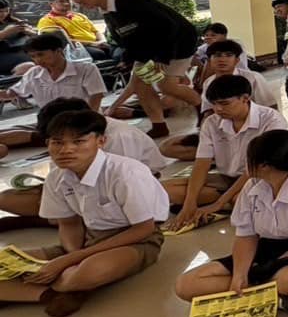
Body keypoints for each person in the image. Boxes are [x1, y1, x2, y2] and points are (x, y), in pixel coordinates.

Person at [0, 108, 168, 317]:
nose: (66, 150)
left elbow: (144, 229)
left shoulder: (125, 172)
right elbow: (69, 224)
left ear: (101, 141)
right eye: (57, 142)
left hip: (134, 241)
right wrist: (72, 256)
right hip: (86, 240)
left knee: (92, 270)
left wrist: (70, 260)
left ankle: (34, 290)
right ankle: (52, 294)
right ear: (48, 144)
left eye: (78, 142)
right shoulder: (56, 177)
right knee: (4, 263)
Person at [173, 129, 288, 314]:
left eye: (249, 159)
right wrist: (240, 274)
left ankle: (264, 288)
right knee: (186, 285)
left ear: (264, 166)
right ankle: (272, 292)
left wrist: (268, 267)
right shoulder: (252, 186)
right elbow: (246, 235)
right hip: (271, 247)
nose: (245, 165)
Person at [58, 0, 198, 139]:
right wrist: (127, 59)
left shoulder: (129, 1)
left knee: (166, 86)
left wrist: (161, 57)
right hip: (149, 49)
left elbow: (167, 26)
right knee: (140, 84)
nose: (76, 2)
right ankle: (159, 125)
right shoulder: (106, 9)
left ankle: (203, 107)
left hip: (178, 42)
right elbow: (128, 37)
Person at [0, 96, 167, 228]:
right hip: (82, 184)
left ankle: (47, 221)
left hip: (115, 190)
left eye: (76, 140)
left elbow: (114, 180)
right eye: (56, 141)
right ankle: (58, 219)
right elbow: (65, 174)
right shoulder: (72, 142)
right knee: (5, 198)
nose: (64, 147)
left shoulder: (118, 137)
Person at [164, 74, 288, 230]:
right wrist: (189, 204)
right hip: (226, 179)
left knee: (239, 200)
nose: (218, 109)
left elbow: (255, 168)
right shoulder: (211, 122)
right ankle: (227, 203)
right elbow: (201, 164)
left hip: (259, 178)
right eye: (214, 104)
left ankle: (226, 203)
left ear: (245, 98)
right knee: (164, 189)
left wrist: (218, 203)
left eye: (224, 103)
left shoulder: (271, 120)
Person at [0, 34, 107, 150]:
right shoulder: (34, 73)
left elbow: (96, 95)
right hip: (50, 123)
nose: (37, 60)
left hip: (81, 122)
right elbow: (11, 93)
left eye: (41, 55)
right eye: (33, 56)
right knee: (9, 131)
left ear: (58, 51)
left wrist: (87, 122)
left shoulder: (86, 69)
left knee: (20, 136)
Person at [36, 0, 109, 61]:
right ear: (51, 4)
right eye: (61, 1)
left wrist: (102, 41)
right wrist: (92, 44)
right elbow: (62, 41)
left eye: (68, 0)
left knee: (114, 50)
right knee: (99, 53)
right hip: (75, 48)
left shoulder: (80, 16)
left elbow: (96, 31)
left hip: (96, 43)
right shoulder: (48, 20)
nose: (66, 3)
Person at [0, 0, 38, 76]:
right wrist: (5, 33)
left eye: (6, 11)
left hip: (20, 52)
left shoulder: (14, 22)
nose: (3, 14)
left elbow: (37, 36)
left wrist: (29, 32)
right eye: (0, 11)